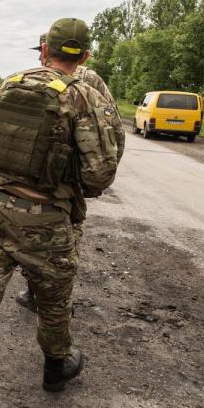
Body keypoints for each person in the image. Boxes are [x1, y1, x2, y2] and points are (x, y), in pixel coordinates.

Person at [0, 18, 123, 408]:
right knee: (53, 303)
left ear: (45, 50)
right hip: (48, 222)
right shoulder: (83, 96)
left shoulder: (7, 85)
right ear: (86, 56)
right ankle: (55, 370)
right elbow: (99, 176)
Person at [14, 34, 126, 312]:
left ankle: (46, 299)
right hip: (64, 179)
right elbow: (115, 131)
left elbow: (113, 128)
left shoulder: (36, 79)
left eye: (41, 52)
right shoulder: (84, 79)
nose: (40, 57)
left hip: (48, 177)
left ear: (47, 50)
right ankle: (45, 296)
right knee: (56, 236)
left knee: (47, 236)